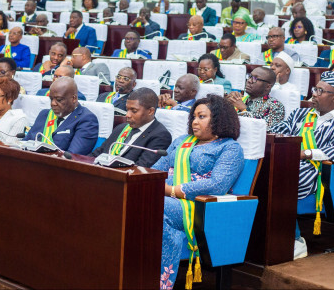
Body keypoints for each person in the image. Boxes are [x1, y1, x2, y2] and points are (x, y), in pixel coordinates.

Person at [154, 95, 244, 289]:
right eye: (193, 116)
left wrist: (170, 190)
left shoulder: (230, 148)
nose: (195, 121)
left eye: (201, 116)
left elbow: (218, 185)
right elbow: (156, 170)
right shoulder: (181, 141)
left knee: (152, 206)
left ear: (219, 120)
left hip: (199, 208)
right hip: (164, 198)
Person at [270, 71, 334, 260]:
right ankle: (269, 238)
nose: (314, 94)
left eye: (321, 91)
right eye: (315, 89)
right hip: (289, 164)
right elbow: (277, 132)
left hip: (317, 171)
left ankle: (295, 241)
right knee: (268, 174)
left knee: (282, 180)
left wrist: (306, 153)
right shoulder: (300, 114)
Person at [90, 88, 172, 167]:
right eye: (127, 110)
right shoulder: (121, 128)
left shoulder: (160, 135)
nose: (127, 115)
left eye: (134, 111)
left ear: (150, 111)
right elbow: (97, 153)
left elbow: (141, 168)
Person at [24, 77, 99, 155]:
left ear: (74, 98)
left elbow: (72, 156)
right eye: (51, 99)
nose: (53, 103)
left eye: (59, 100)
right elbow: (25, 143)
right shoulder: (44, 114)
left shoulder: (87, 119)